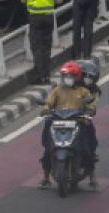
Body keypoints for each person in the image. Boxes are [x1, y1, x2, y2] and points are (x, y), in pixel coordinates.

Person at [38, 62, 96, 190]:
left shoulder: (83, 91)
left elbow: (91, 104)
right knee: (48, 150)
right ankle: (46, 178)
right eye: (65, 76)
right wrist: (46, 109)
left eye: (71, 76)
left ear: (77, 77)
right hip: (57, 121)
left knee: (87, 149)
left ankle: (92, 178)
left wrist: (90, 110)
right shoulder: (57, 90)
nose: (67, 79)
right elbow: (48, 103)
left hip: (78, 122)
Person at [22, 0, 62, 84]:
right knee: (46, 45)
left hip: (34, 17)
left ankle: (40, 76)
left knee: (36, 46)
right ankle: (47, 75)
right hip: (49, 16)